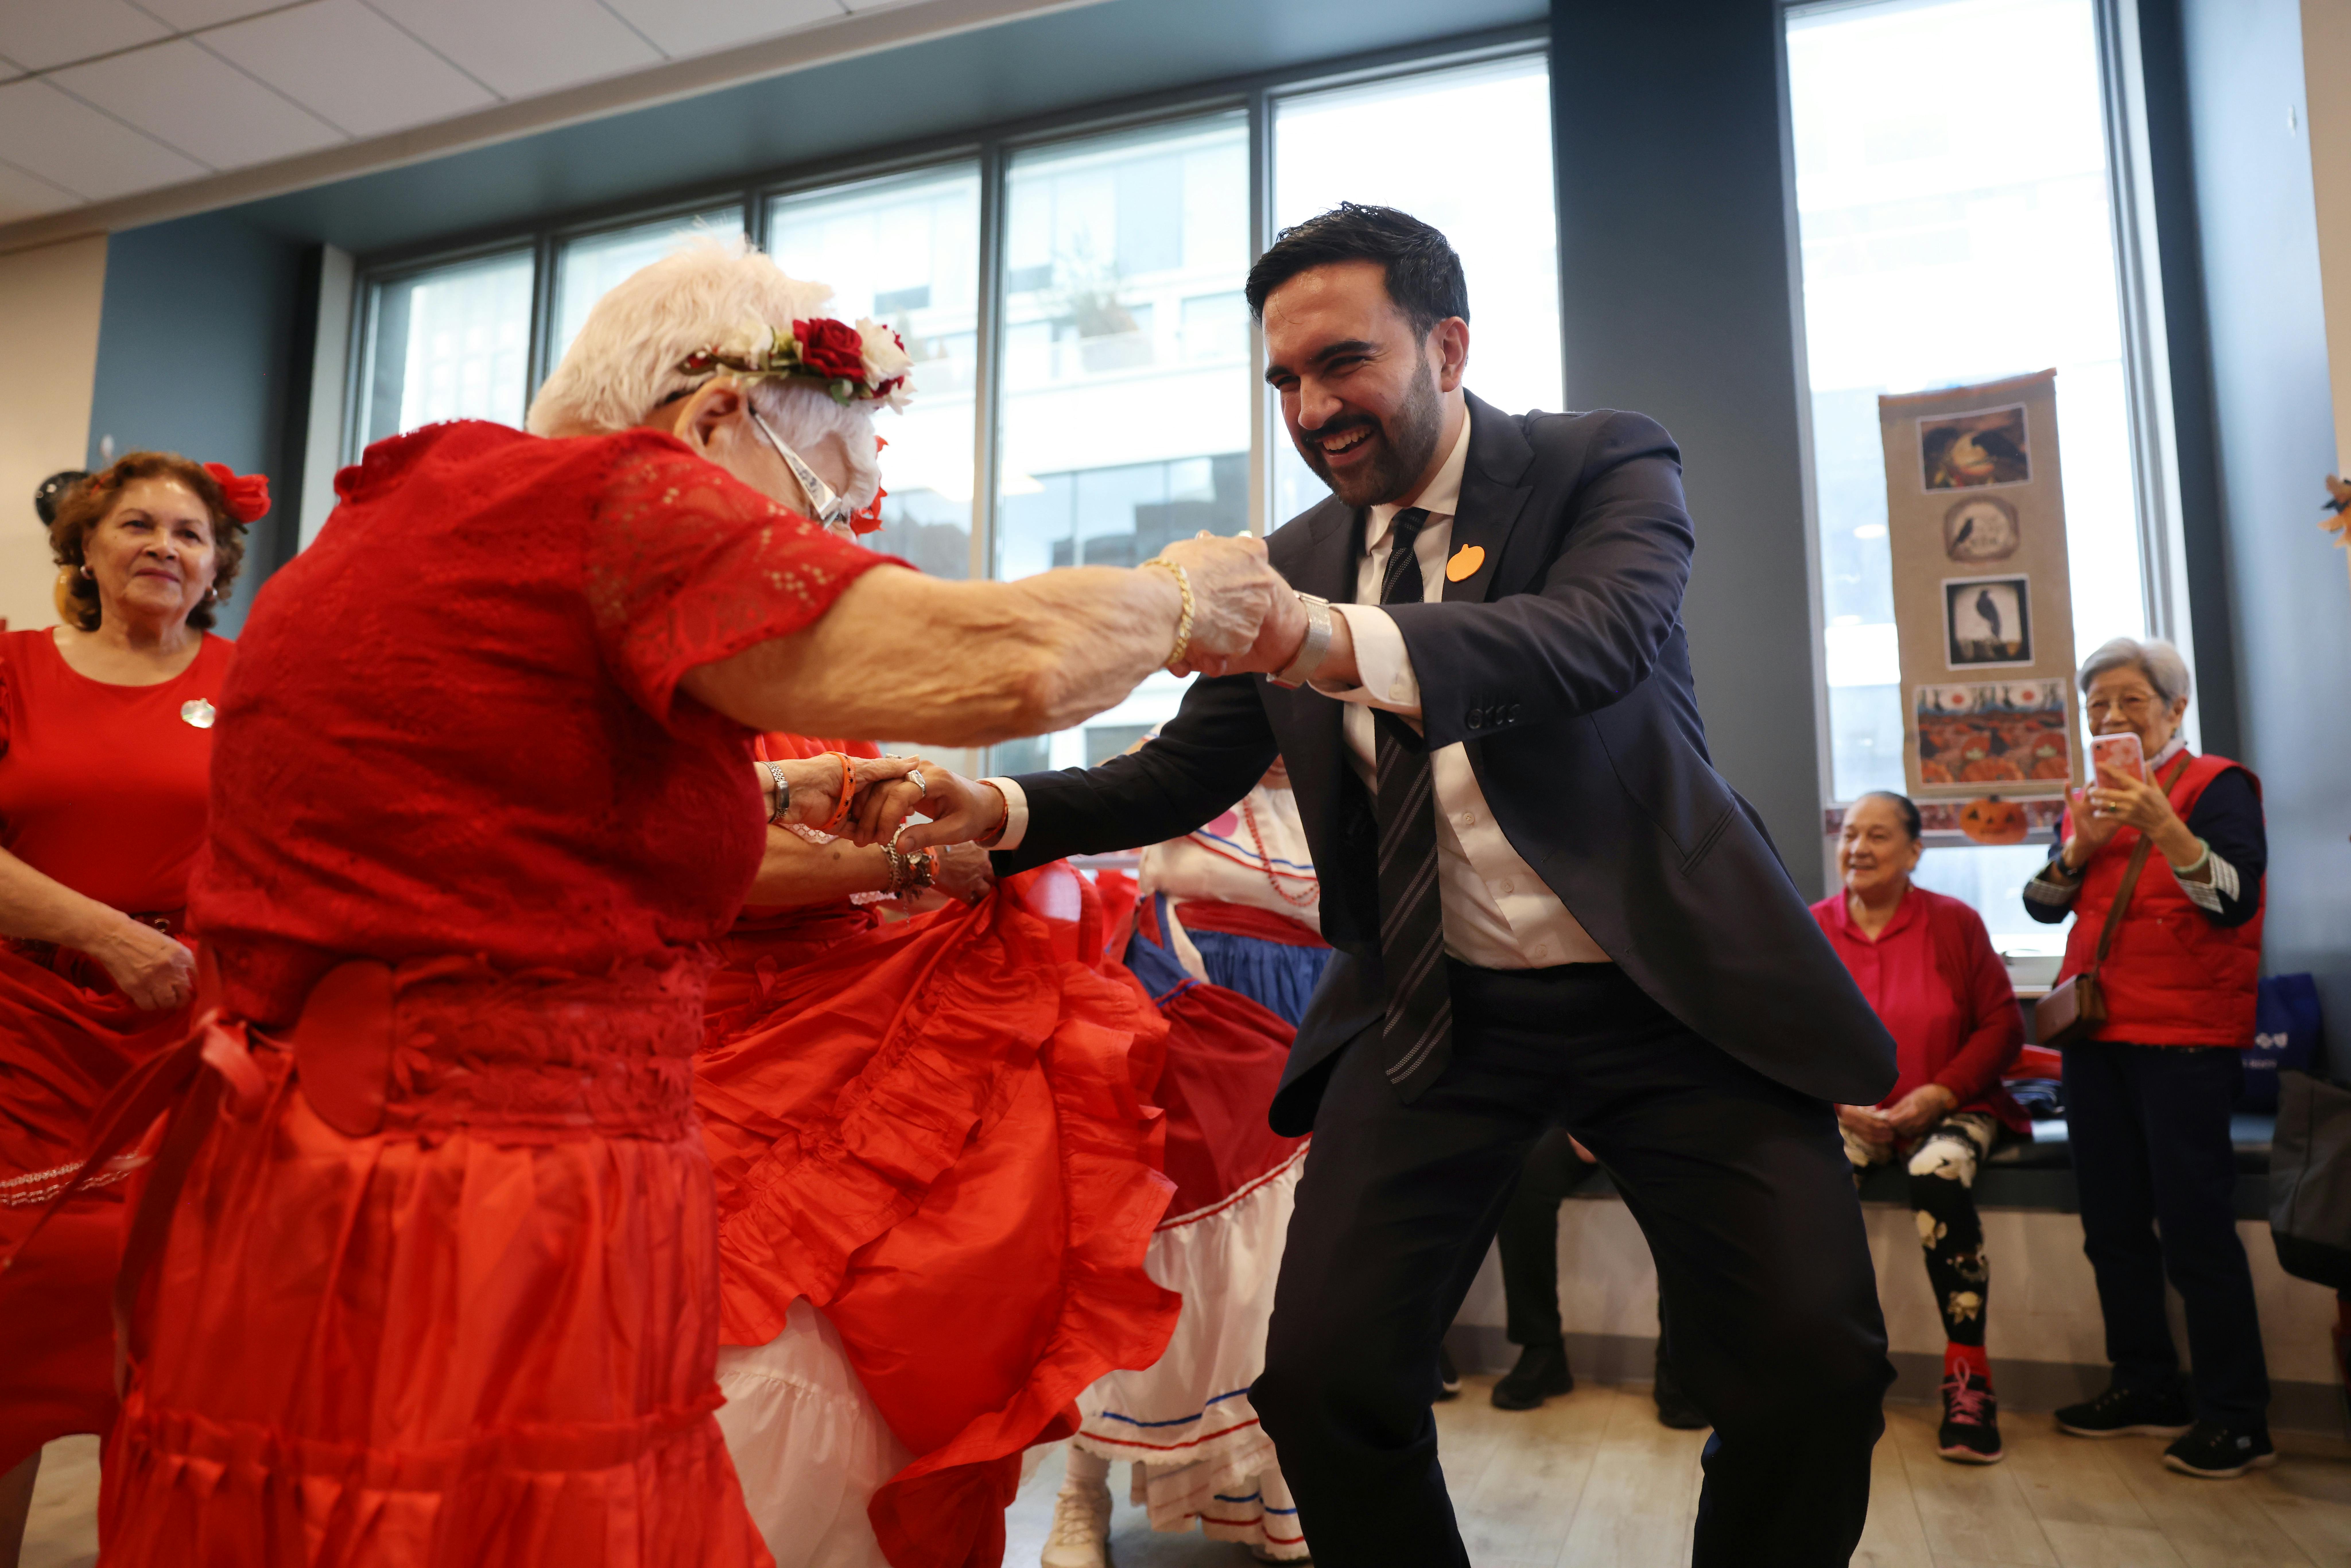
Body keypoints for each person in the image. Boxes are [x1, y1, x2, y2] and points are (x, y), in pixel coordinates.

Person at [30, 239, 1288, 1566]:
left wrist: (797, 804)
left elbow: (517, 813)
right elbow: (1018, 668)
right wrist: (1186, 596)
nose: (814, 549)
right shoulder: (617, 501)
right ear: (713, 420)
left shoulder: (409, 516)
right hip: (477, 1188)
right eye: (816, 508)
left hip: (289, 1174)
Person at [903, 204, 1898, 1568]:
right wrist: (1007, 808)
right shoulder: (1299, 556)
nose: (1314, 408)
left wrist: (1317, 639)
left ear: (1449, 342)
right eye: (1286, 382)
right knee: (1323, 1381)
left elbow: (1587, 643)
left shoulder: (1602, 464)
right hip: (1435, 1015)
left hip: (1674, 1000)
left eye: (1344, 363)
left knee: (1809, 1369)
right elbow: (1184, 767)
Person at [0, 455, 260, 1568]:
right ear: (86, 548)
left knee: (166, 1337)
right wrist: (105, 931)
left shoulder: (253, 680)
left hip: (190, 1038)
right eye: (139, 524)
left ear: (215, 569)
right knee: (12, 1315)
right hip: (20, 1025)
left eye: (191, 533)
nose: (166, 545)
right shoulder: (8, 668)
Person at [1045, 761, 1320, 1567]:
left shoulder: (1360, 763)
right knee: (1149, 1262)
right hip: (1193, 999)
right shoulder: (1188, 758)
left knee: (1289, 1282)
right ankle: (1079, 1493)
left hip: (1326, 1009)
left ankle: (1284, 1497)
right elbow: (1090, 824)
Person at [2023, 636, 2272, 1478]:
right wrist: (2081, 845)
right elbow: (2042, 904)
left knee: (2198, 1230)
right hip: (2098, 1040)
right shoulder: (2088, 800)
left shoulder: (2219, 787)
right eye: (2097, 706)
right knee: (2113, 1225)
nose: (2111, 718)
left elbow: (2232, 905)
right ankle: (2145, 1383)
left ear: (2176, 709)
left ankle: (2238, 1417)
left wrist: (2164, 826)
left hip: (2187, 1043)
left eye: (2130, 701)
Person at [1816, 791, 2025, 1465]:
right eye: (1850, 833)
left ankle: (1970, 1379)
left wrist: (1940, 1091)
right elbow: (1786, 1031)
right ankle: (1828, 1370)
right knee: (1808, 1182)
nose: (1859, 847)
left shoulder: (1953, 922)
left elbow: (2004, 1026)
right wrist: (1835, 1103)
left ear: (1913, 851)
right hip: (1849, 1112)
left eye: (1878, 835)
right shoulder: (1811, 927)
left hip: (1954, 1103)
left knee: (1935, 1173)